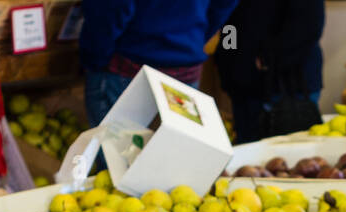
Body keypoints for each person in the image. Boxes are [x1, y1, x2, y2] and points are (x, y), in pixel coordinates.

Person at [80, 0, 240, 126]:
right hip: (185, 67)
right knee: (167, 158)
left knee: (118, 161)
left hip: (129, 65)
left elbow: (110, 9)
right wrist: (191, 38)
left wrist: (95, 58)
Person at [215, 0, 326, 144]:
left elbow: (309, 24)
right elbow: (231, 22)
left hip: (286, 88)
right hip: (243, 87)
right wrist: (227, 56)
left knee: (289, 160)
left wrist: (266, 59)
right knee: (247, 158)